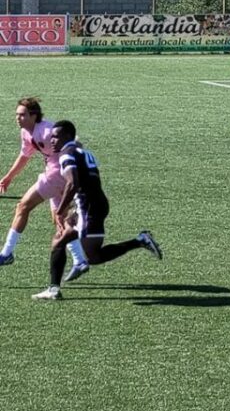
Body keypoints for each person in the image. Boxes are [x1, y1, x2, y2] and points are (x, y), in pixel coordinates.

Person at [32, 120, 162, 301]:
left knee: (94, 257)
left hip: (88, 209)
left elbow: (72, 183)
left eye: (56, 137)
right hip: (90, 205)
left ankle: (139, 241)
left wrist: (61, 210)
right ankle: (53, 289)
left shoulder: (66, 154)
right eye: (51, 137)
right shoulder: (83, 152)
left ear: (67, 136)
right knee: (58, 241)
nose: (52, 140)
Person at [0, 98, 88, 278]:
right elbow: (24, 156)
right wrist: (8, 177)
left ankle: (6, 253)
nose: (18, 118)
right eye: (17, 115)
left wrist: (79, 169)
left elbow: (75, 143)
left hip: (56, 175)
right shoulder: (26, 132)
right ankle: (80, 260)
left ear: (34, 116)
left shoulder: (47, 131)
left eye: (23, 115)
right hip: (55, 175)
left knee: (23, 206)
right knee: (60, 221)